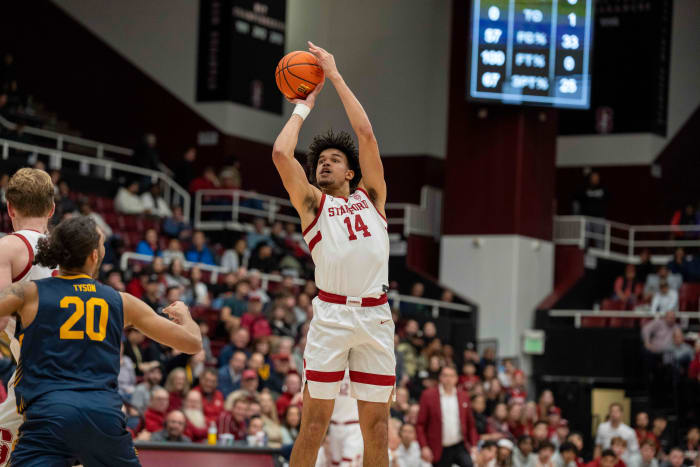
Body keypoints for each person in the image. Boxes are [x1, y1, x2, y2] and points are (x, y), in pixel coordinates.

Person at [273, 41, 394, 467]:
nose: (324, 163)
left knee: (378, 428)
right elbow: (280, 154)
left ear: (350, 171)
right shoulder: (312, 205)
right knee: (314, 425)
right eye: (320, 160)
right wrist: (302, 107)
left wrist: (336, 76)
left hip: (376, 316)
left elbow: (365, 134)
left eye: (334, 159)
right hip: (332, 316)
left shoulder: (373, 197)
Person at [0, 215, 201, 465]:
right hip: (102, 416)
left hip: (48, 416)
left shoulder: (28, 292)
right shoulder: (121, 300)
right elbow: (192, 343)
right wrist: (186, 316)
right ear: (94, 256)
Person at [0, 168, 56, 467]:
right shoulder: (71, 250)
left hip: (36, 372)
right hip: (84, 371)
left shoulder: (8, 247)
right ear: (52, 208)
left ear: (10, 207)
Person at [416, 366, 478, 467]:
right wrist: (424, 446)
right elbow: (420, 425)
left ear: (456, 378)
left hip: (460, 444)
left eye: (451, 376)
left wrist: (474, 445)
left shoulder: (464, 396)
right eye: (445, 375)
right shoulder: (428, 395)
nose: (448, 379)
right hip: (439, 447)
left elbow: (470, 424)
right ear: (440, 377)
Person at [326, 369, 364, 466]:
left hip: (353, 425)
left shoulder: (358, 365)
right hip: (334, 425)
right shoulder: (332, 365)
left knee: (347, 463)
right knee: (334, 463)